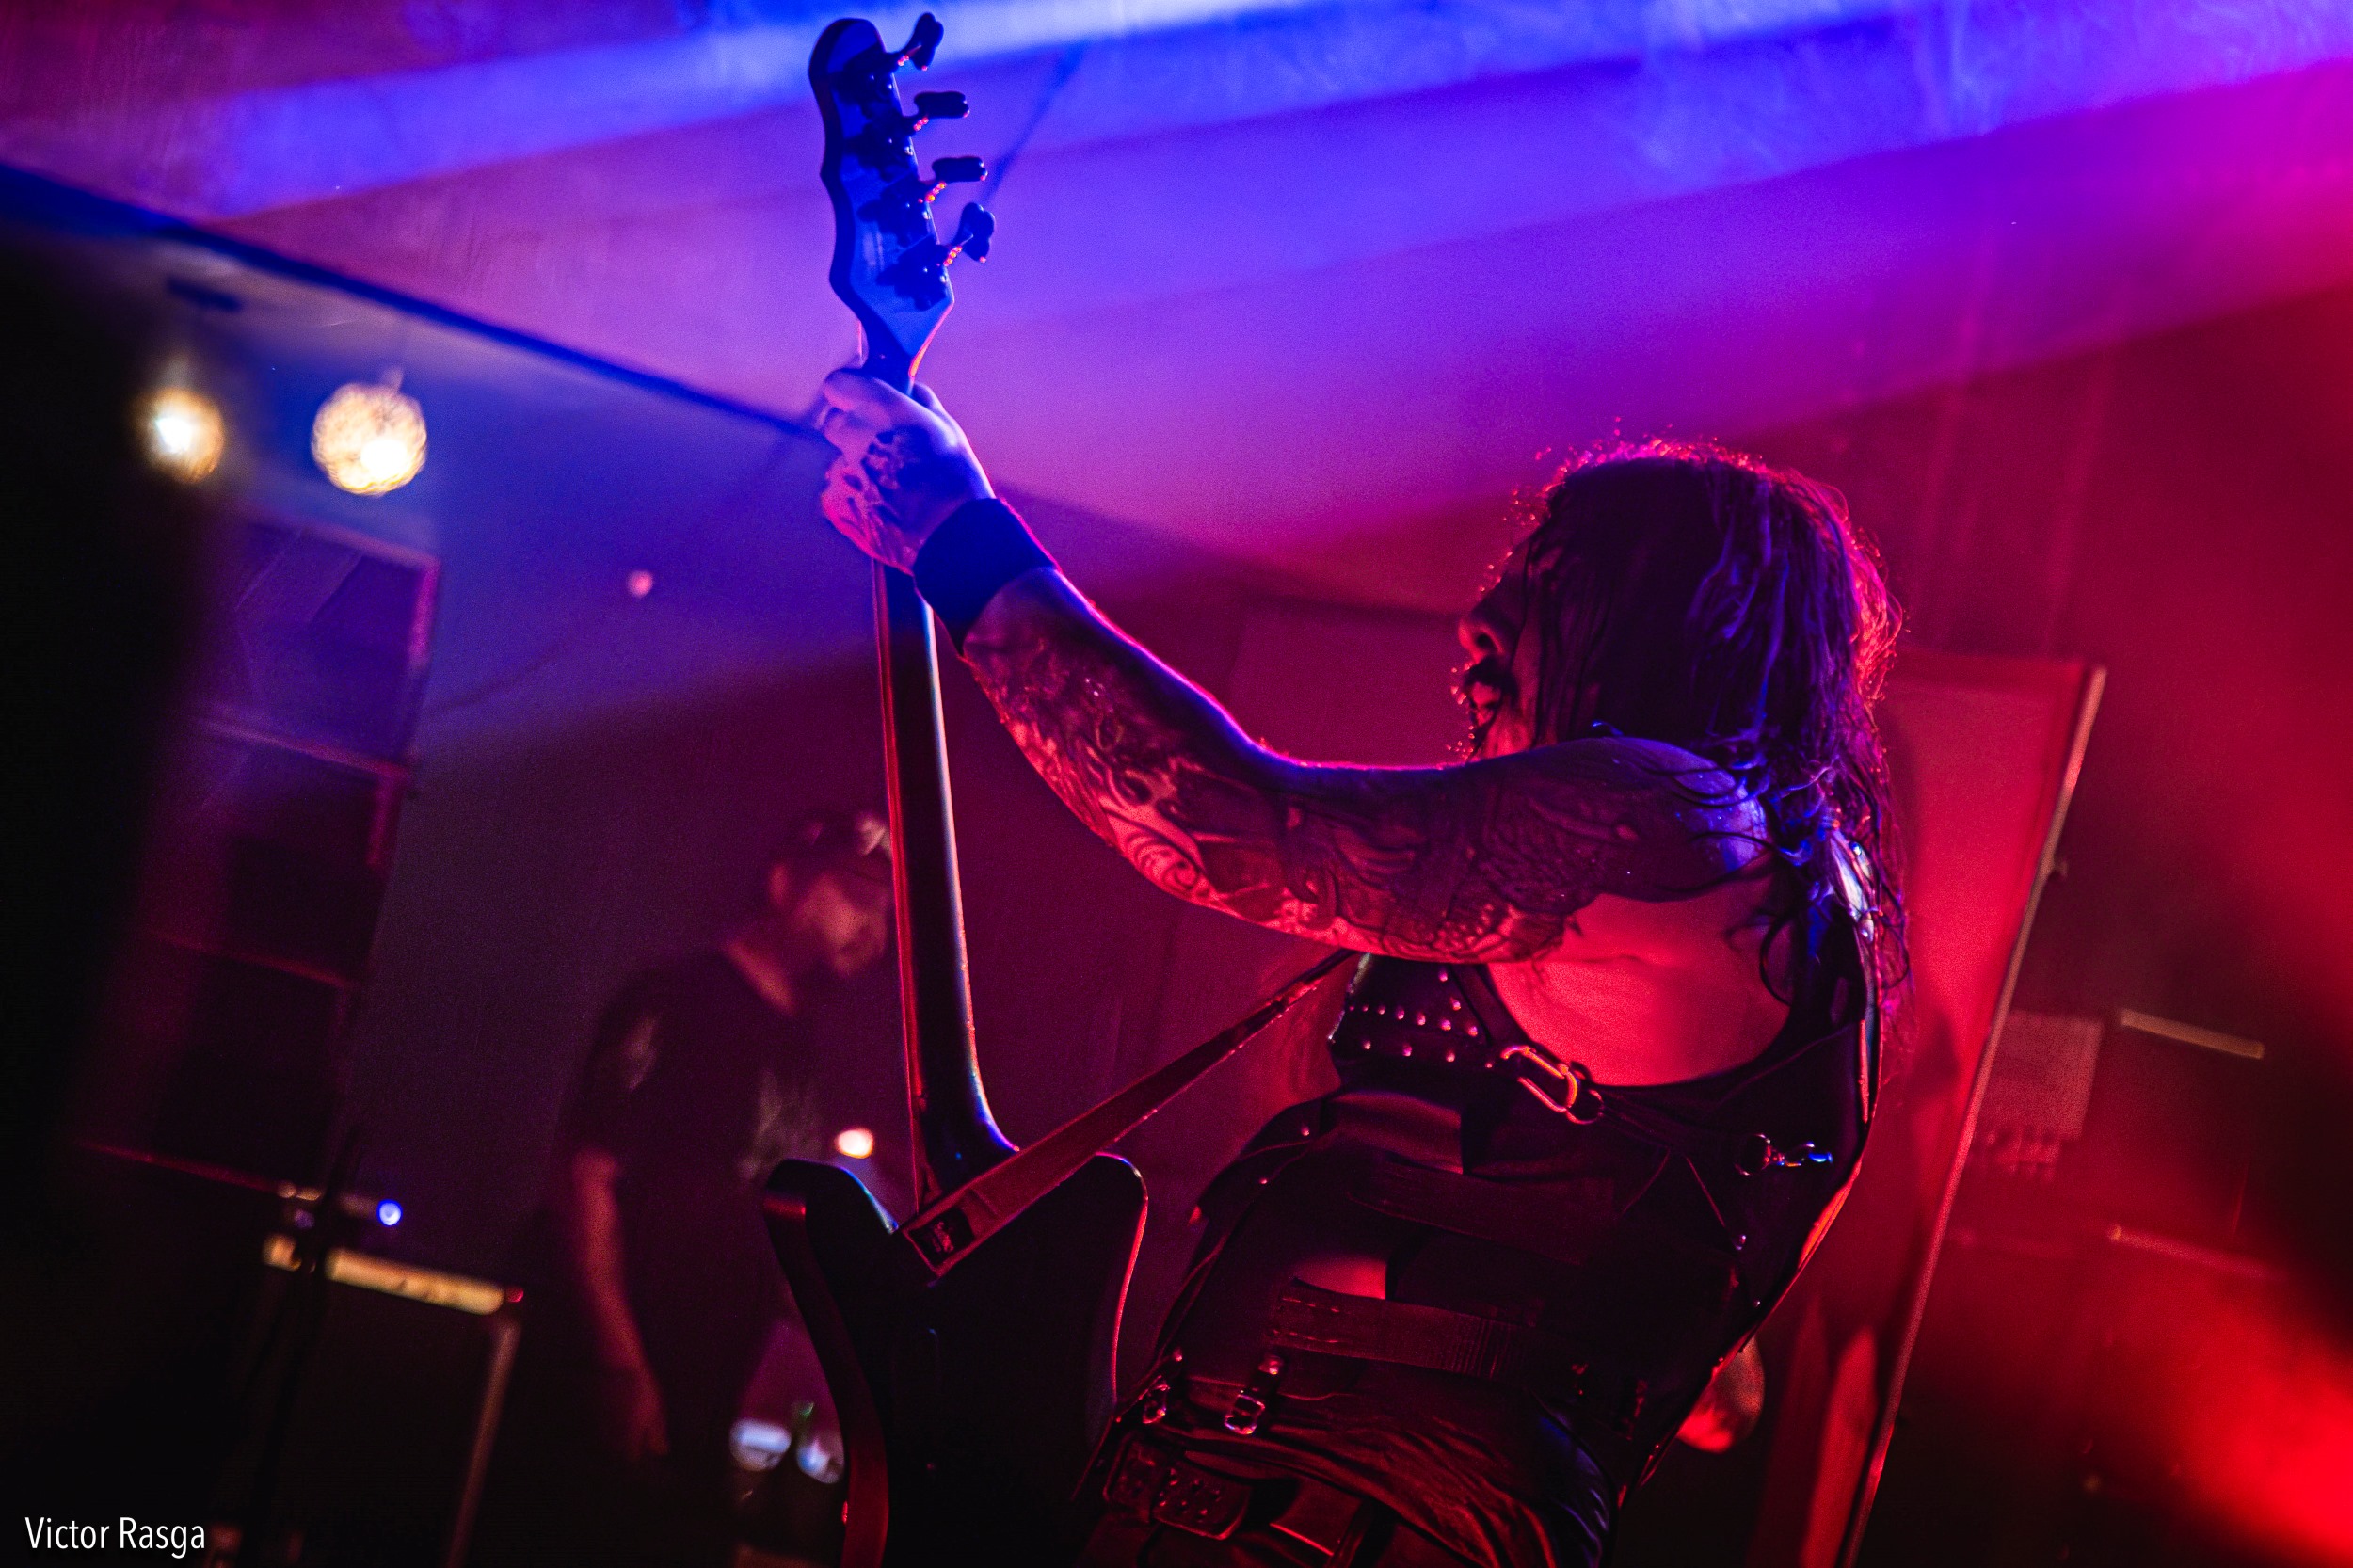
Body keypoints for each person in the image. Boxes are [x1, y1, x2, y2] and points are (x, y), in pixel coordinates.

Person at [813, 372, 1900, 1567]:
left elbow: (1227, 823)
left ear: (1674, 622)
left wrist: (955, 536)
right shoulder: (1755, 901)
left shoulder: (1683, 828)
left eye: (1553, 583)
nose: (1479, 622)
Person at [484, 809, 893, 1567]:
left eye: (887, 912)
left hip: (700, 1397)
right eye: (857, 897)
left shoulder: (801, 1040)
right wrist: (618, 1363)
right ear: (785, 884)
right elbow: (586, 1177)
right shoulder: (676, 999)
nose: (875, 930)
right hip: (607, 1379)